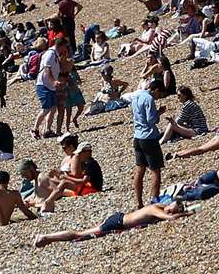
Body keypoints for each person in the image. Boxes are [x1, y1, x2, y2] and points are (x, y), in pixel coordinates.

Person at [31, 199, 191, 245]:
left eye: (173, 210)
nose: (170, 210)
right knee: (81, 234)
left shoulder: (160, 205)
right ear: (169, 204)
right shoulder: (154, 209)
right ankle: (46, 237)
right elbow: (170, 218)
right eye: (171, 208)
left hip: (120, 218)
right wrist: (186, 213)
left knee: (84, 232)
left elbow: (168, 212)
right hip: (117, 223)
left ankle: (47, 238)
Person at [123, 77, 167, 209]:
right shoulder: (149, 99)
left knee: (140, 170)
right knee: (155, 171)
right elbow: (152, 120)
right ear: (156, 90)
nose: (159, 97)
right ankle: (155, 201)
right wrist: (159, 112)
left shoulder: (136, 95)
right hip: (149, 137)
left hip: (137, 137)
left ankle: (139, 203)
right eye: (159, 94)